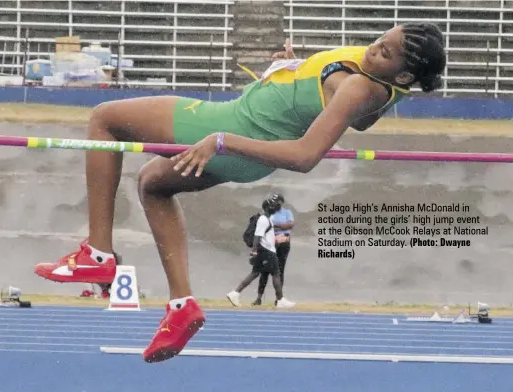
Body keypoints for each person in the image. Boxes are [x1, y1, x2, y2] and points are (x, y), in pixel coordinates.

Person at [34, 23, 446, 363]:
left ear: (405, 76)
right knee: (153, 184)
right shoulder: (377, 83)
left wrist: (221, 140)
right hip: (247, 145)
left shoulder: (363, 88)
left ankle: (99, 254)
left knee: (105, 119)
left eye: (386, 54)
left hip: (234, 130)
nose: (374, 50)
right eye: (380, 40)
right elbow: (359, 121)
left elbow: (304, 157)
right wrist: (295, 76)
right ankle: (182, 308)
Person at [226, 195, 295, 308]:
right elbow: (257, 236)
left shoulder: (267, 219)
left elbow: (267, 235)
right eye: (273, 206)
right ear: (267, 208)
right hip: (267, 251)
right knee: (276, 273)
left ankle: (235, 293)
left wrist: (279, 239)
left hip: (266, 250)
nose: (275, 208)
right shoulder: (263, 220)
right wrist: (254, 251)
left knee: (255, 273)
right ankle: (280, 300)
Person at [252, 193, 294, 306]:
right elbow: (263, 226)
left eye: (277, 201)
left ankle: (279, 299)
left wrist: (275, 226)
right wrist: (279, 226)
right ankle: (259, 297)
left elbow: (290, 225)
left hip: (283, 243)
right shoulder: (269, 213)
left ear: (281, 202)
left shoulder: (287, 212)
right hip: (270, 243)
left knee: (280, 270)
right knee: (264, 271)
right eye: (274, 201)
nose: (275, 204)